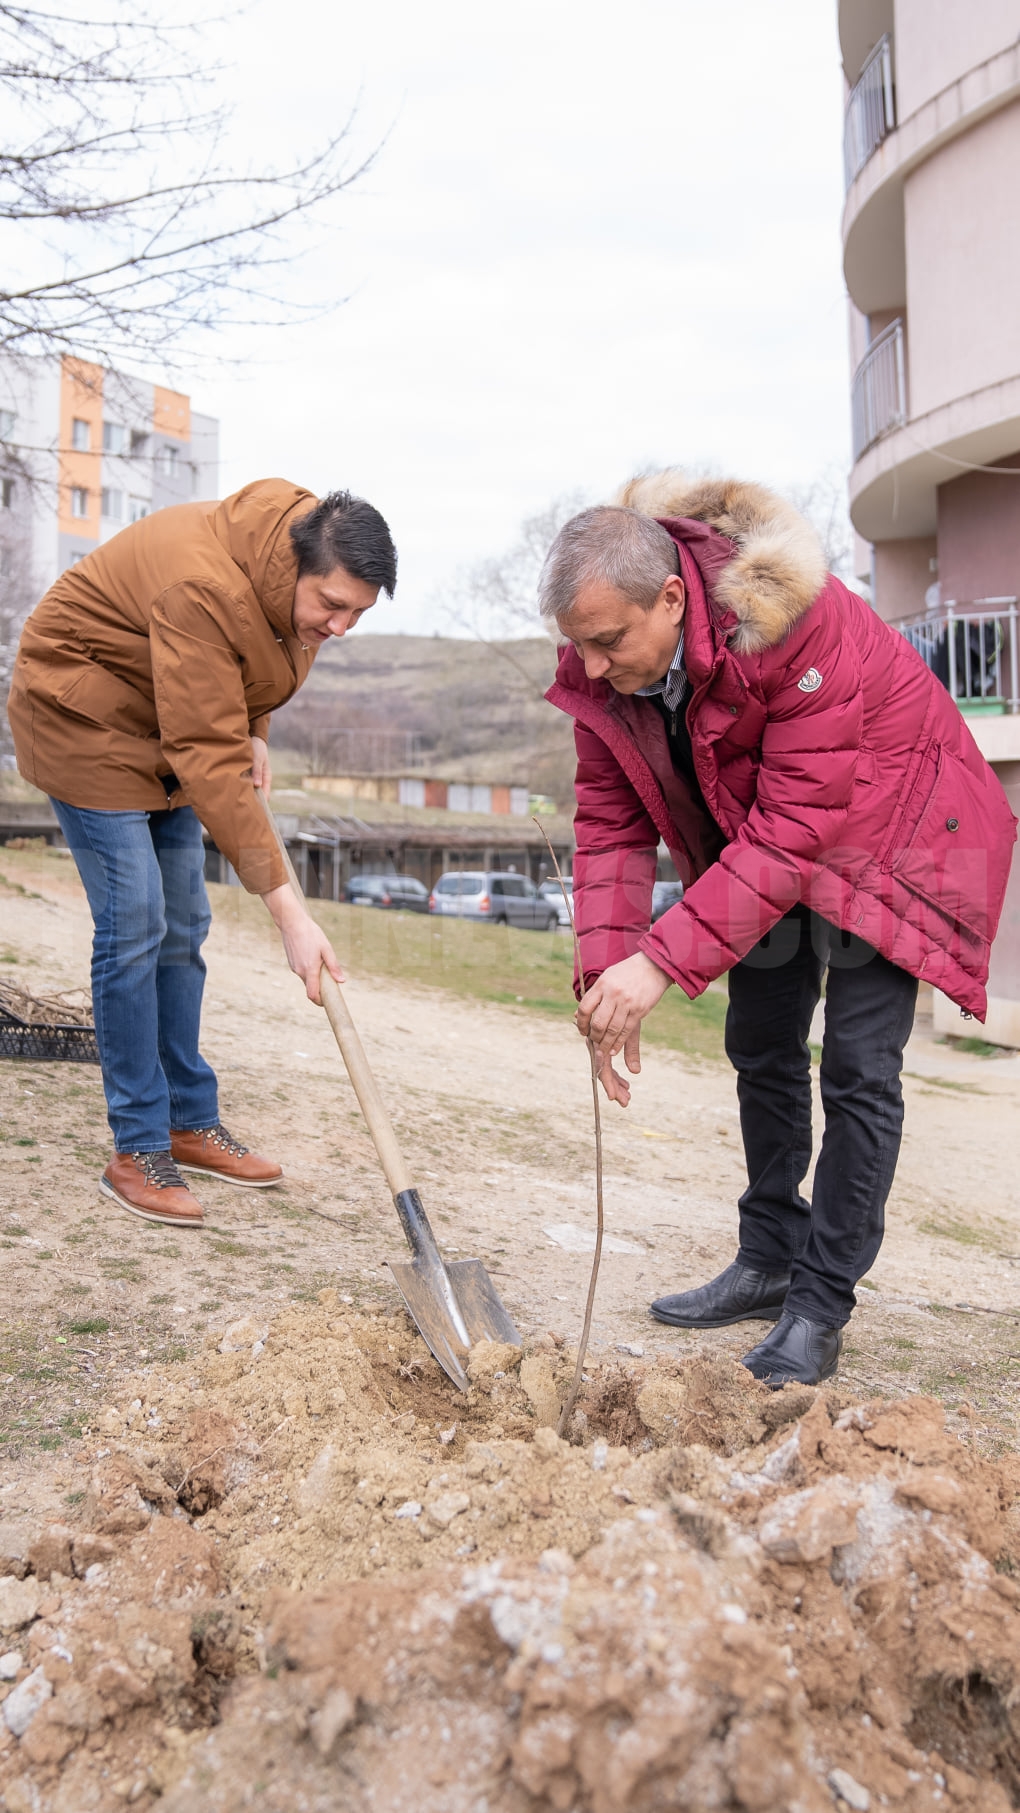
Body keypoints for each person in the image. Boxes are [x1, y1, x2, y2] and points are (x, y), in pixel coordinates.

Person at [540, 473, 1016, 1386]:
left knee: (858, 1068)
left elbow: (796, 832)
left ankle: (821, 1300)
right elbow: (610, 823)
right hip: (772, 834)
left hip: (899, 837)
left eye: (608, 642)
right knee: (759, 1041)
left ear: (672, 598)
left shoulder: (800, 623)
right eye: (580, 646)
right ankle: (768, 1258)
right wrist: (608, 980)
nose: (592, 668)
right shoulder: (599, 669)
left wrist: (661, 960)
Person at [8, 481, 396, 1229]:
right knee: (136, 921)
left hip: (161, 719)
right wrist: (290, 917)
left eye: (359, 612)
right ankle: (138, 1145)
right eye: (334, 605)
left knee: (184, 924)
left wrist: (255, 726)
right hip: (82, 716)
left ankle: (189, 1120)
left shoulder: (292, 563)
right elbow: (206, 758)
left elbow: (242, 668)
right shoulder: (202, 586)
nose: (342, 626)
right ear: (297, 568)